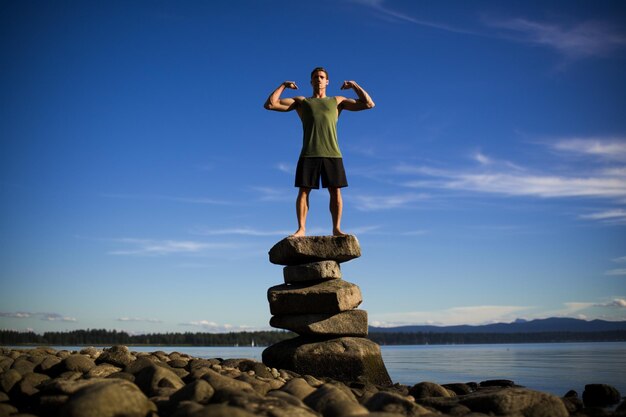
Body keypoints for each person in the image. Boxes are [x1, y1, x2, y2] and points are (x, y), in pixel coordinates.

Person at [264, 67, 375, 237]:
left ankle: (336, 228)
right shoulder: (302, 102)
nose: (319, 79)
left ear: (327, 81)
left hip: (333, 153)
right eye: (315, 77)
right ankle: (301, 229)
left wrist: (354, 85)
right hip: (309, 152)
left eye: (322, 77)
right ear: (311, 81)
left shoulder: (337, 101)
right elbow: (270, 104)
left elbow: (369, 104)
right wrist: (283, 85)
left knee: (335, 191)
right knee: (303, 191)